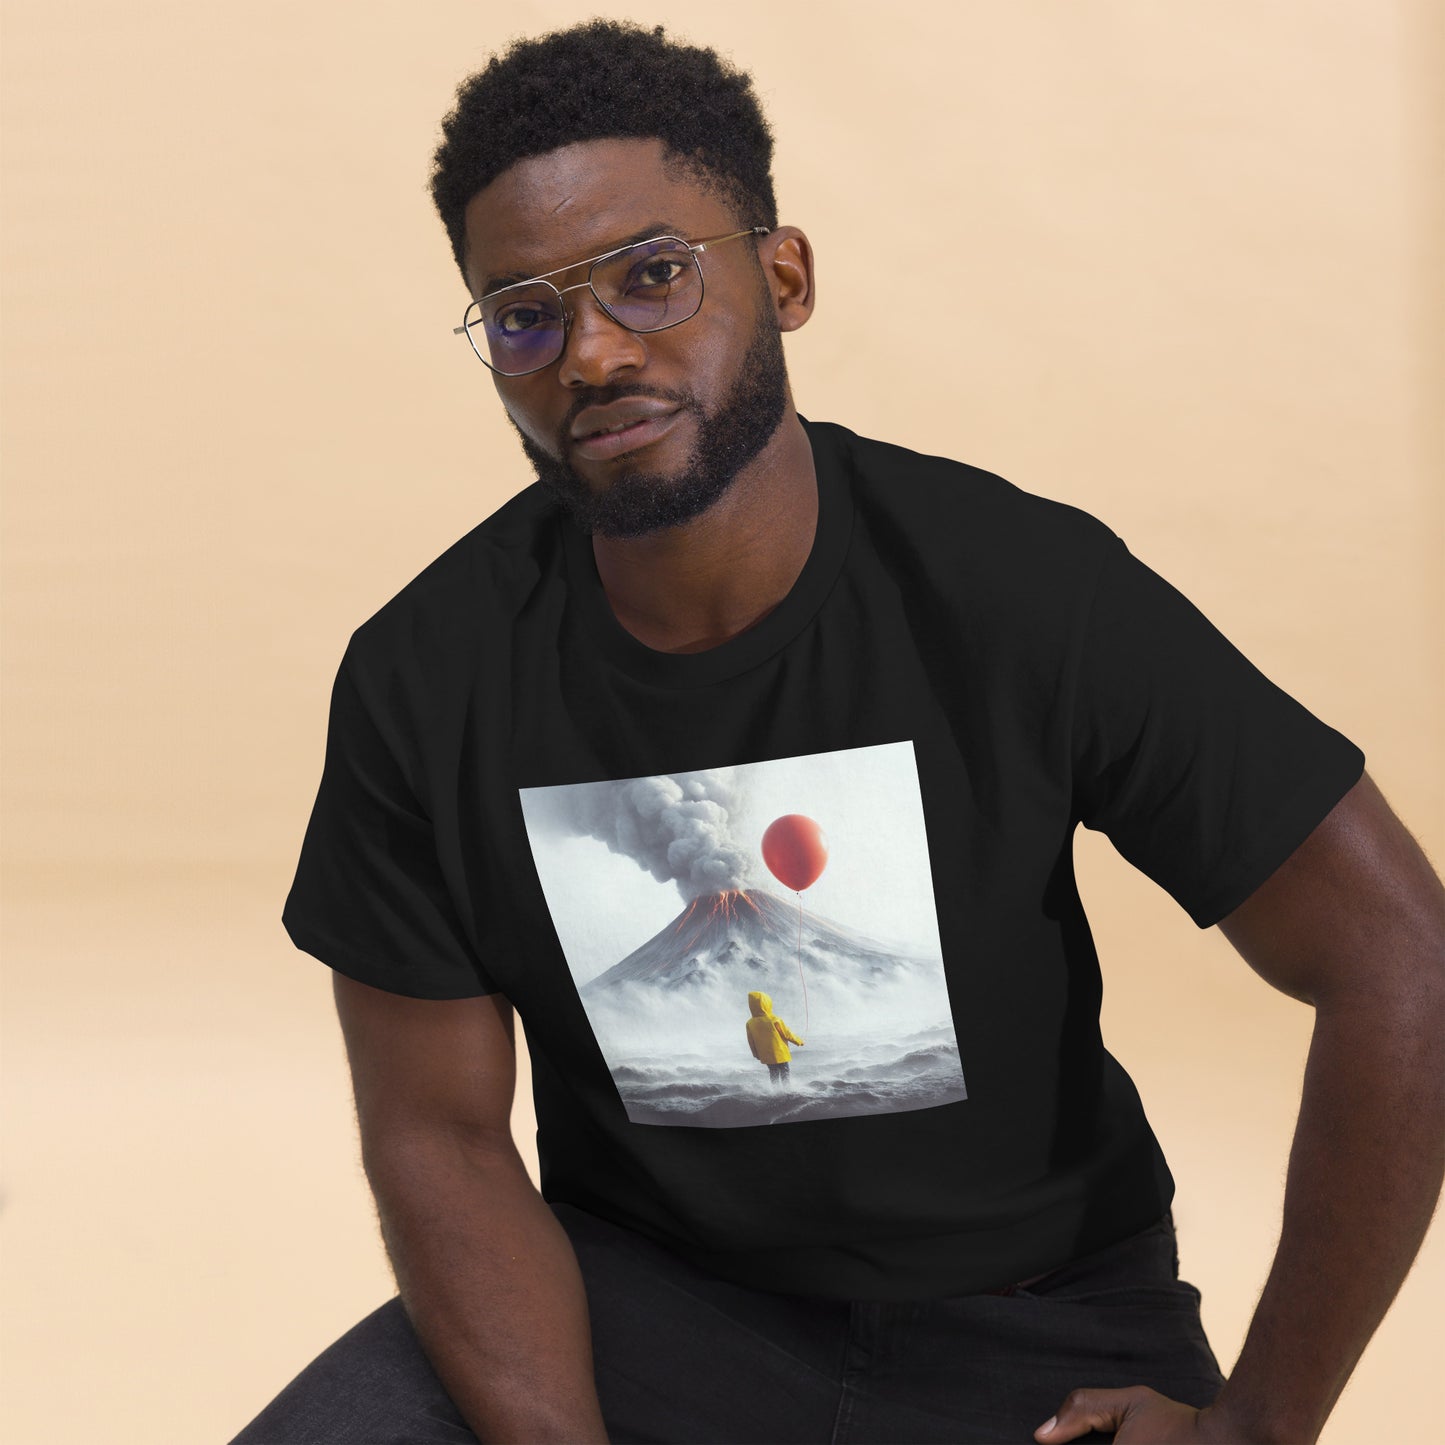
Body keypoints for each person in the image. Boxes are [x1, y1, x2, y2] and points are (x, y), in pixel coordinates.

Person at [231, 19, 1445, 1445]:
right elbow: (435, 1131)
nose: (594, 352)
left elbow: (1397, 957)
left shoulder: (1013, 588)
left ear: (783, 276)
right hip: (638, 1309)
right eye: (524, 316)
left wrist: (1259, 1426)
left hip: (1031, 1330)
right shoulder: (423, 678)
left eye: (653, 275)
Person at [745, 989, 804, 1085]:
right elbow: (787, 1034)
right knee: (784, 1071)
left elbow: (751, 1041)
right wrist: (799, 1041)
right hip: (780, 1053)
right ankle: (787, 1090)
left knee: (773, 1073)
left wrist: (756, 1054)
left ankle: (775, 1091)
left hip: (766, 1055)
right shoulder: (774, 1019)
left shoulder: (750, 1023)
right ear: (767, 1003)